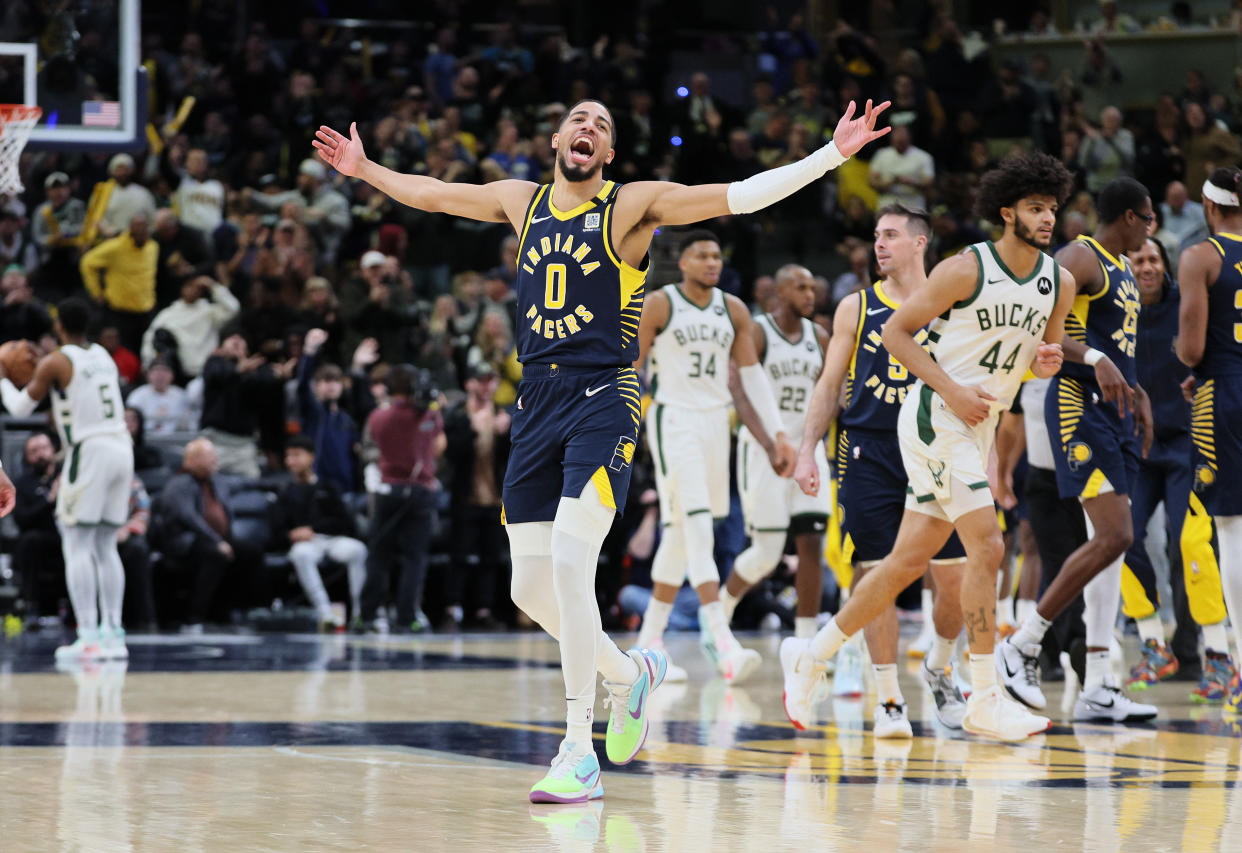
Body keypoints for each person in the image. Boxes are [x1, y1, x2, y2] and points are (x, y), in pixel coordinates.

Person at [316, 94, 891, 801]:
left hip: (603, 397)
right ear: (556, 137)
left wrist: (831, 155)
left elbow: (737, 196)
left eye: (603, 126)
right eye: (579, 120)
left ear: (609, 154)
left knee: (568, 560)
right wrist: (366, 169)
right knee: (526, 587)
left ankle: (577, 748)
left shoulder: (629, 205)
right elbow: (434, 194)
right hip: (535, 401)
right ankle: (631, 674)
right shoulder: (519, 200)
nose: (589, 129)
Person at [782, 152, 1076, 742]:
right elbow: (894, 333)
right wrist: (950, 389)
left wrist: (1046, 363)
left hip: (979, 425)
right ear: (1006, 211)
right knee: (987, 549)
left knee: (904, 565)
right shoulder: (966, 269)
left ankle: (813, 652)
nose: (1047, 219)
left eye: (1052, 209)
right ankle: (986, 694)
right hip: (935, 417)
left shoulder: (1058, 282)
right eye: (1035, 208)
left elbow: (1043, 357)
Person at [788, 205, 971, 736]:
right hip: (868, 451)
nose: (879, 244)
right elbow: (828, 385)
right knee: (875, 573)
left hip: (938, 448)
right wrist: (807, 450)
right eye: (876, 236)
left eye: (890, 235)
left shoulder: (951, 304)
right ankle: (888, 697)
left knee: (952, 578)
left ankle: (940, 665)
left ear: (920, 243)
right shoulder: (856, 307)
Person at [998, 176, 1158, 725]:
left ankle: (1097, 685)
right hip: (1077, 407)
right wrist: (1092, 360)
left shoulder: (1123, 272)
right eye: (1150, 217)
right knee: (1116, 534)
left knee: (1109, 547)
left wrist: (1138, 395)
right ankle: (1021, 644)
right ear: (1131, 217)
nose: (1153, 228)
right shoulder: (1081, 257)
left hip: (1114, 415)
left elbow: (1119, 350)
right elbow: (1041, 328)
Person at [633, 230, 792, 685]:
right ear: (681, 262)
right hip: (673, 420)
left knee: (681, 533)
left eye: (717, 256)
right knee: (698, 524)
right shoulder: (660, 303)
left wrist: (777, 433)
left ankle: (650, 641)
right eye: (701, 255)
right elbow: (633, 366)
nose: (711, 262)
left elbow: (752, 375)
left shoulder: (733, 309)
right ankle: (719, 636)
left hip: (715, 422)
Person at [0, 298, 135, 662]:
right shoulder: (103, 356)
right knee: (106, 545)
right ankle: (113, 635)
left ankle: (88, 637)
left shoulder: (57, 361)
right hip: (122, 446)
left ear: (59, 325)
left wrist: (1, 375)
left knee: (76, 542)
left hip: (89, 449)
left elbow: (18, 408)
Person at [1124, 237, 1229, 698]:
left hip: (1186, 444)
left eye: (1153, 259)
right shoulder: (1113, 309)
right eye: (1138, 259)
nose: (1146, 267)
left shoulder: (1186, 301)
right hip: (1139, 447)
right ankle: (1151, 640)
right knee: (1121, 536)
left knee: (1187, 545)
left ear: (1165, 265)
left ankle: (1211, 653)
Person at [722, 263, 831, 646]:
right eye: (800, 287)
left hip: (808, 449)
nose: (809, 295)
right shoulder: (758, 331)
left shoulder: (819, 335)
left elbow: (828, 393)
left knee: (812, 544)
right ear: (780, 293)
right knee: (766, 554)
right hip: (764, 450)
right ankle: (720, 614)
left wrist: (813, 444)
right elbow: (739, 390)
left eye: (812, 288)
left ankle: (805, 644)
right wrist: (770, 444)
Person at [1177, 166, 1242, 714]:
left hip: (1225, 395)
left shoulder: (1202, 256)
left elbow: (1193, 351)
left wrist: (1183, 354)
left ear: (1208, 205)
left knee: (1230, 529)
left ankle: (1239, 669)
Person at [357, 365, 444, 634]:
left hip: (387, 490)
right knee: (414, 558)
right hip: (419, 491)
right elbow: (437, 437)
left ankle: (367, 615)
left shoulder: (377, 417)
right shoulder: (428, 415)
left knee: (378, 556)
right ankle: (407, 617)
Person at [276, 435, 367, 629]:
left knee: (358, 550)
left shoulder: (328, 487)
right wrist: (291, 535)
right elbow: (276, 528)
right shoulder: (284, 492)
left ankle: (361, 613)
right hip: (304, 545)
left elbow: (344, 522)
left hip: (331, 539)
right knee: (301, 554)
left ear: (311, 457)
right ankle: (325, 612)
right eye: (288, 456)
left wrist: (315, 529)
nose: (291, 461)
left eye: (297, 455)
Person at [150, 438, 236, 632]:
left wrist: (226, 539)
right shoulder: (178, 484)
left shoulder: (218, 482)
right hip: (184, 542)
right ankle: (193, 619)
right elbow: (189, 519)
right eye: (209, 456)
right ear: (192, 460)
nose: (215, 460)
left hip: (214, 539)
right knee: (215, 553)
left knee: (250, 553)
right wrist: (218, 541)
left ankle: (230, 614)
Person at [79, 212, 159, 353]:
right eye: (137, 233)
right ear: (130, 231)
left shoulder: (153, 247)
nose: (140, 236)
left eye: (144, 232)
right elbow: (87, 262)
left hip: (146, 310)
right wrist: (96, 292)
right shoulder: (115, 247)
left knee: (145, 351)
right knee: (124, 353)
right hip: (121, 312)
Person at [140, 275, 241, 378]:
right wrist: (148, 364)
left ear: (201, 291)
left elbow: (233, 309)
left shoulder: (210, 312)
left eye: (196, 287)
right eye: (188, 286)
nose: (191, 290)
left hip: (203, 372)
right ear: (182, 288)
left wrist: (213, 286)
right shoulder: (169, 313)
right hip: (176, 372)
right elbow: (149, 336)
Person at [12, 433, 65, 622]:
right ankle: (31, 606)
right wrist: (49, 500)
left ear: (53, 449)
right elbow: (21, 519)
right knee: (29, 541)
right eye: (34, 451)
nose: (40, 454)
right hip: (40, 541)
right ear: (27, 457)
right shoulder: (21, 484)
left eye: (43, 448)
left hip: (67, 538)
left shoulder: (67, 477)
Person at [124, 358, 190, 435]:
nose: (160, 375)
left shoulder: (181, 396)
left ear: (172, 375)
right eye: (156, 370)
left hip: (175, 438)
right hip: (146, 438)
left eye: (165, 370)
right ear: (148, 374)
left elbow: (187, 424)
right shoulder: (137, 395)